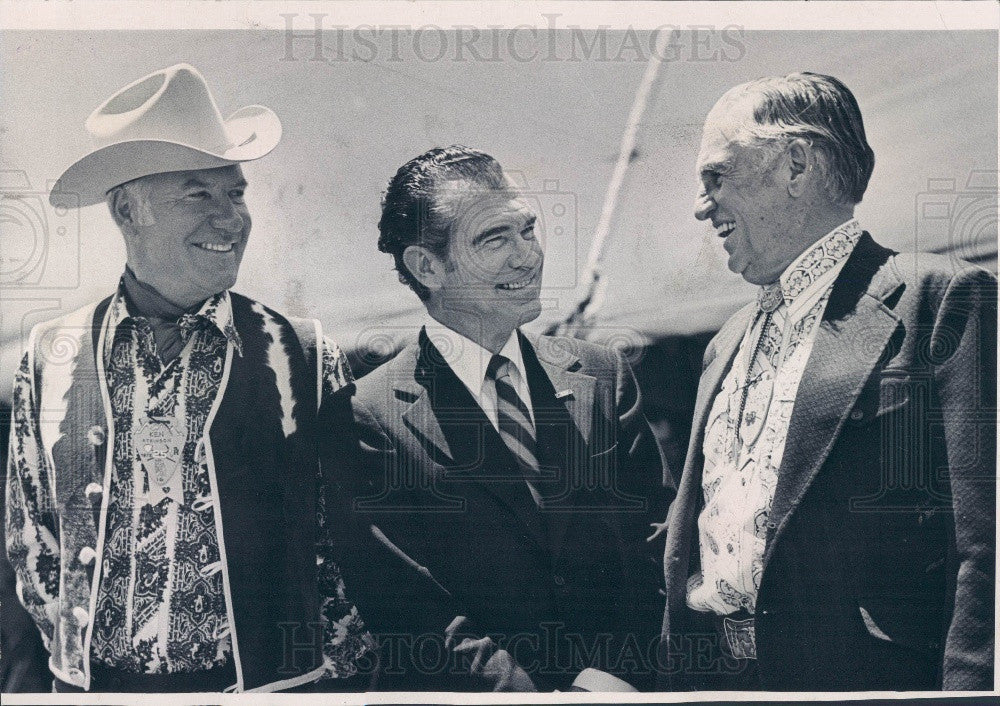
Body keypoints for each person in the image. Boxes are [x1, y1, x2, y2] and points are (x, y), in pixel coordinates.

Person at [4, 63, 372, 693]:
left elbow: (347, 553)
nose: (232, 219)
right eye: (199, 194)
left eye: (236, 193)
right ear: (127, 210)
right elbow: (29, 536)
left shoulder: (303, 354)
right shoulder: (50, 356)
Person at [657, 72, 996, 691]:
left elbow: (986, 545)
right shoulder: (725, 341)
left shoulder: (942, 300)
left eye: (716, 176)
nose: (701, 206)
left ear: (795, 164)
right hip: (717, 681)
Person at [322, 146, 673, 691]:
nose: (527, 256)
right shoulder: (369, 417)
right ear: (427, 267)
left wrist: (623, 678)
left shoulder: (603, 375)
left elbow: (656, 540)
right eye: (495, 239)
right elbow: (413, 613)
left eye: (528, 230)